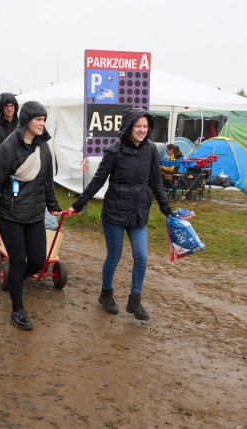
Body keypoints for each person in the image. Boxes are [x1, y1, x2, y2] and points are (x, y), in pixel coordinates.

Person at [67, 107, 172, 321]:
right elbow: (97, 181)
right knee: (114, 256)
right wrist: (78, 206)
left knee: (141, 257)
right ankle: (106, 294)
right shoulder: (114, 152)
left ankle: (134, 301)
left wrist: (167, 210)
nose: (142, 130)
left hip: (139, 212)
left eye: (145, 126)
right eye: (138, 126)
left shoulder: (151, 150)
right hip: (114, 211)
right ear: (129, 127)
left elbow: (157, 183)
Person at [0, 101, 62, 330]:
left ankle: (15, 281)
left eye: (44, 119)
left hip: (34, 215)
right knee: (18, 260)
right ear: (27, 121)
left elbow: (47, 183)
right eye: (37, 119)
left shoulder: (44, 148)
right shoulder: (9, 147)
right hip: (10, 215)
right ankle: (17, 309)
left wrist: (53, 205)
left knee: (38, 261)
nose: (42, 123)